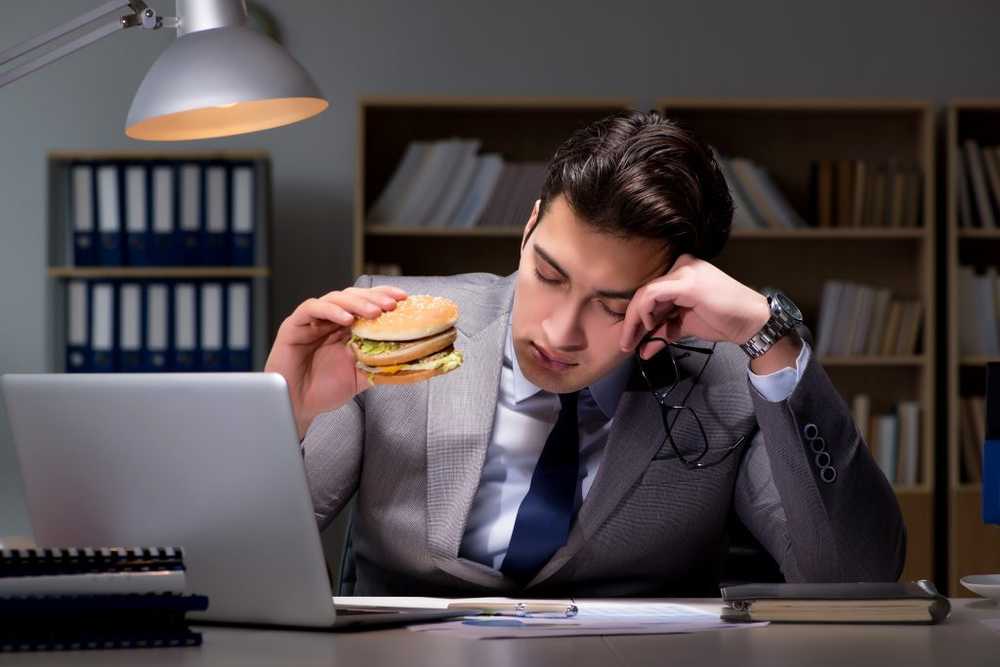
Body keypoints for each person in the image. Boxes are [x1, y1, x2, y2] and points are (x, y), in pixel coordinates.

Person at [264, 110, 906, 597]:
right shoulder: (392, 329)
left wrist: (770, 337)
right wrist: (276, 418)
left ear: (674, 294)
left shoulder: (733, 381)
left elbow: (855, 580)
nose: (561, 332)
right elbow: (232, 556)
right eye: (548, 275)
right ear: (529, 228)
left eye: (611, 304)